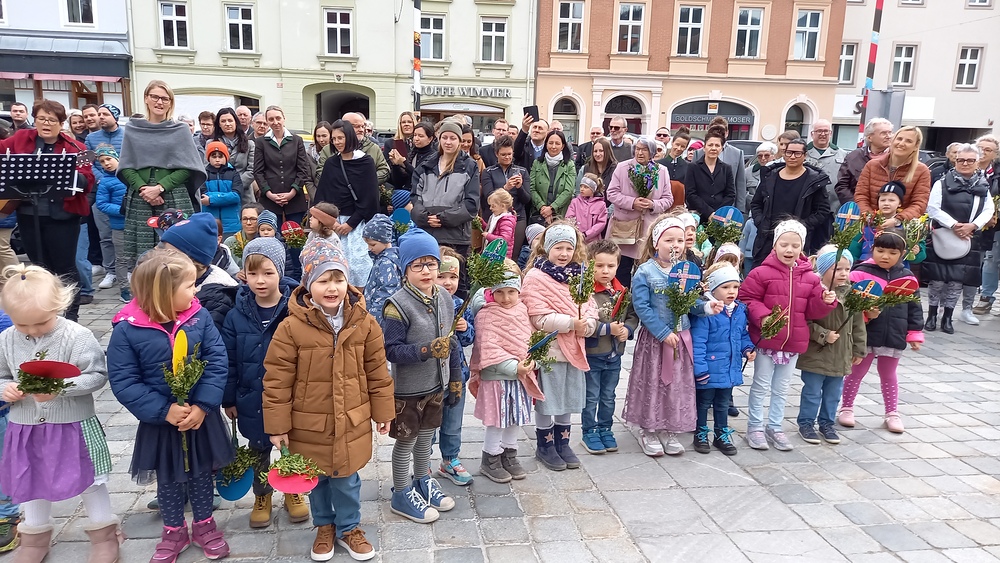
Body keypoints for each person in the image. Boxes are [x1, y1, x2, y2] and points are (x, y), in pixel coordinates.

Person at [263, 235, 393, 561]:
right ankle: (324, 526)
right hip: (309, 424)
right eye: (323, 280)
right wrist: (277, 426)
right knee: (317, 479)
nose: (332, 287)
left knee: (347, 479)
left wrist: (383, 412)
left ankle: (350, 528)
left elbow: (378, 371)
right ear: (309, 285)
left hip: (351, 420)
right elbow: (277, 380)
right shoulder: (291, 328)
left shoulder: (365, 324)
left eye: (338, 279)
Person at [107, 248, 234, 562]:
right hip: (161, 422)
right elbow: (124, 380)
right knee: (168, 478)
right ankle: (173, 530)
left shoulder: (199, 317)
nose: (195, 291)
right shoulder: (127, 329)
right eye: (189, 286)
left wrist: (203, 405)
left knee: (202, 473)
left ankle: (204, 525)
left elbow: (216, 360)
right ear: (164, 292)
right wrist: (164, 410)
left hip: (199, 417)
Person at [0, 265, 119, 562]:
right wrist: (6, 389)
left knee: (89, 479)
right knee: (31, 479)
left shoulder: (77, 336)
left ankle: (104, 536)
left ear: (59, 306)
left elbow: (97, 375)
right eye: (22, 324)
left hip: (72, 424)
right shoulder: (6, 339)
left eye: (41, 322)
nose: (32, 331)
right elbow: (2, 375)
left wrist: (61, 387)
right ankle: (34, 538)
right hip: (25, 426)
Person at [221, 237, 308, 530]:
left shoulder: (294, 311)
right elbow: (229, 359)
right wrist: (229, 397)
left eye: (268, 273)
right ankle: (262, 495)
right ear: (244, 274)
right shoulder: (236, 315)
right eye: (253, 273)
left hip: (289, 399)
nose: (260, 280)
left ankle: (293, 489)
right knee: (259, 449)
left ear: (280, 272)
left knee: (290, 445)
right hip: (252, 398)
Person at [380, 228, 460, 523]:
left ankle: (422, 480)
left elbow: (451, 342)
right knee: (407, 441)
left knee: (426, 438)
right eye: (418, 265)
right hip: (409, 391)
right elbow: (391, 351)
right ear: (405, 269)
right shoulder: (397, 305)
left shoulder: (444, 297)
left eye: (431, 264)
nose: (426, 271)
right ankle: (401, 492)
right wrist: (425, 350)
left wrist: (455, 378)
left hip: (436, 385)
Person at [738, 219, 837, 451]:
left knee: (782, 388)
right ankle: (755, 426)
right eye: (784, 244)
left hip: (793, 342)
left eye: (795, 245)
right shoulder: (761, 273)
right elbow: (747, 298)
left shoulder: (811, 278)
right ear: (775, 245)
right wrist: (764, 317)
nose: (789, 250)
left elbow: (812, 311)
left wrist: (824, 301)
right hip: (766, 339)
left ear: (802, 247)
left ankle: (775, 426)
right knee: (761, 385)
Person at [0, 99, 95, 322]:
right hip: (28, 213)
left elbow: (87, 181)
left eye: (52, 120)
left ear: (61, 123)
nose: (46, 123)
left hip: (63, 215)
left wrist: (70, 174)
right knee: (38, 266)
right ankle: (44, 312)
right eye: (41, 118)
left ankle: (71, 316)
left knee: (65, 266)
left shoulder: (75, 148)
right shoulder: (20, 139)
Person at [520, 223, 598, 469]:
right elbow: (538, 317)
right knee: (549, 398)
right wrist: (571, 323)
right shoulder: (535, 277)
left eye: (568, 248)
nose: (564, 253)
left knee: (569, 396)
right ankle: (545, 445)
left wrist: (589, 325)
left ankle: (563, 443)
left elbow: (590, 307)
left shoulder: (580, 275)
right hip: (551, 350)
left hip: (574, 348)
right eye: (558, 248)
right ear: (547, 248)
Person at [625, 217, 698, 456]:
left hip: (680, 338)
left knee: (676, 383)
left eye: (679, 240)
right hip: (656, 340)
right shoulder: (645, 271)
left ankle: (669, 427)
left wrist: (708, 306)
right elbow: (642, 307)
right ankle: (649, 429)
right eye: (669, 240)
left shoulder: (686, 270)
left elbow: (692, 301)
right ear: (657, 243)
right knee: (653, 382)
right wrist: (663, 332)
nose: (675, 245)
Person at [839, 229, 924, 433]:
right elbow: (849, 305)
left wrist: (914, 333)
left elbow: (915, 308)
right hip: (866, 335)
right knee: (856, 372)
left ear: (902, 254)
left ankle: (892, 413)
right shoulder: (860, 273)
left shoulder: (907, 278)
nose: (885, 256)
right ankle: (846, 408)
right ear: (872, 249)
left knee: (888, 374)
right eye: (880, 250)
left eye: (892, 253)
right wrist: (865, 315)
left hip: (893, 334)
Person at [118, 81, 206, 271]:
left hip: (173, 194)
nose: (160, 102)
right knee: (144, 256)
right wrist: (144, 189)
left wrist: (160, 188)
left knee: (177, 250)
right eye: (155, 97)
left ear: (170, 102)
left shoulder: (180, 130)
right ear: (146, 99)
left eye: (165, 99)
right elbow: (126, 166)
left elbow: (189, 167)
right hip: (141, 197)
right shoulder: (133, 128)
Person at [468, 266, 541, 482]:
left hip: (519, 378)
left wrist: (533, 361)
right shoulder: (486, 314)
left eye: (511, 291)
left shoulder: (522, 311)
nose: (506, 298)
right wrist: (513, 367)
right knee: (497, 419)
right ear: (491, 291)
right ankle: (490, 457)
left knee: (515, 418)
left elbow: (531, 340)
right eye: (499, 292)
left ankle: (510, 454)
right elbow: (488, 348)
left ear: (519, 291)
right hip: (497, 378)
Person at [795, 247, 865, 445]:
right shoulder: (815, 292)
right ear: (824, 270)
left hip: (841, 354)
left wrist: (859, 348)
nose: (843, 273)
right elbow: (804, 320)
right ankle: (806, 423)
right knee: (812, 392)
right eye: (837, 269)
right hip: (816, 353)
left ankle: (827, 423)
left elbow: (858, 323)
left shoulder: (853, 294)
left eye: (847, 269)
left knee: (833, 393)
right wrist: (823, 334)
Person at [923, 144, 994, 331]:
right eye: (961, 160)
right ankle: (931, 315)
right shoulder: (942, 182)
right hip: (943, 236)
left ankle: (947, 317)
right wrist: (954, 225)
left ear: (977, 162)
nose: (965, 163)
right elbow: (933, 208)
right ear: (955, 161)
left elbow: (989, 210)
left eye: (970, 160)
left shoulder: (983, 185)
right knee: (937, 279)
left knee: (956, 281)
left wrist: (973, 226)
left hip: (968, 237)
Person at [580, 240, 637, 454]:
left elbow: (632, 315)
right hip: (593, 353)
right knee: (591, 396)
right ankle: (589, 431)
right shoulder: (585, 293)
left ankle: (605, 428)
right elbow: (583, 321)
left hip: (614, 354)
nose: (605, 271)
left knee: (608, 395)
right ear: (589, 265)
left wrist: (628, 330)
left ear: (617, 265)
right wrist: (607, 329)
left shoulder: (621, 291)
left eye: (610, 266)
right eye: (599, 265)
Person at [689, 263, 751, 456]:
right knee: (703, 403)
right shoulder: (707, 312)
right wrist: (700, 369)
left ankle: (721, 434)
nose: (731, 291)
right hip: (709, 369)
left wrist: (748, 348)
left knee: (723, 403)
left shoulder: (739, 310)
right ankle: (700, 433)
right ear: (713, 289)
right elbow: (698, 343)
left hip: (728, 368)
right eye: (725, 287)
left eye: (735, 287)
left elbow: (741, 334)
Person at [410, 121, 480, 288]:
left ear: (460, 141)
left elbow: (471, 204)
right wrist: (424, 217)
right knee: (429, 282)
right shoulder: (425, 166)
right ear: (439, 139)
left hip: (456, 237)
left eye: (453, 138)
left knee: (456, 283)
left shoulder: (469, 166)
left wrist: (443, 218)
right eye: (445, 137)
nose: (448, 142)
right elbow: (415, 197)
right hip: (428, 235)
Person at [313, 119, 379, 287]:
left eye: (340, 138)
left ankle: (358, 300)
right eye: (334, 139)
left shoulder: (366, 162)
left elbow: (370, 198)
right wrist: (331, 222)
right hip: (333, 224)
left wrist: (350, 224)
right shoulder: (331, 163)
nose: (337, 142)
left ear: (349, 137)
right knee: (331, 267)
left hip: (357, 224)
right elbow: (322, 196)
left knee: (359, 267)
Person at [748, 138, 831, 267]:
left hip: (797, 242)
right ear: (784, 153)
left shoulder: (814, 181)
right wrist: (761, 221)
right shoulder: (770, 176)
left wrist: (802, 226)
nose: (792, 157)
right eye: (789, 152)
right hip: (767, 239)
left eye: (797, 153)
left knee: (792, 275)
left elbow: (822, 211)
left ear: (805, 155)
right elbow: (756, 204)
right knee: (762, 274)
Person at [605, 137, 674, 287]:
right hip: (625, 229)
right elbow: (611, 193)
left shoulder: (662, 171)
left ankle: (638, 299)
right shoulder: (622, 167)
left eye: (644, 150)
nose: (640, 153)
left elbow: (668, 199)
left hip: (648, 229)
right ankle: (620, 298)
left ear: (652, 152)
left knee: (644, 273)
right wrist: (632, 202)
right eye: (637, 149)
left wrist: (653, 204)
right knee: (621, 271)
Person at [434, 248, 476, 486]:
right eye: (442, 276)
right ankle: (421, 463)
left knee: (452, 423)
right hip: (431, 378)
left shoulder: (461, 304)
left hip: (457, 375)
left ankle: (449, 459)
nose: (448, 282)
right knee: (428, 424)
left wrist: (465, 328)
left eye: (453, 277)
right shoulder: (426, 304)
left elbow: (470, 339)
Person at [160, 212, 241, 329]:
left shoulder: (216, 299)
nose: (163, 258)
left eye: (171, 253)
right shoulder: (178, 279)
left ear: (192, 259)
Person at [854, 126, 931, 227]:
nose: (901, 143)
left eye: (908, 141)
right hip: (869, 226)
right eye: (899, 139)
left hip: (900, 229)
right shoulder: (872, 165)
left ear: (916, 146)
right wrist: (871, 218)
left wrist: (897, 220)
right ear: (893, 140)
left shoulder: (921, 171)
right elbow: (861, 196)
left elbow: (919, 204)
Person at [253, 105, 312, 230]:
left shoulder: (297, 140)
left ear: (284, 118)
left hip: (295, 199)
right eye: (271, 119)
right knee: (271, 234)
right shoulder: (261, 142)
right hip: (270, 199)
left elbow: (303, 169)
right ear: (267, 121)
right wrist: (269, 194)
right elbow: (258, 171)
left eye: (278, 118)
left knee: (295, 236)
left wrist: (292, 192)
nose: (275, 122)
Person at [87, 104, 126, 288]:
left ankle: (128, 271)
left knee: (126, 237)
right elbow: (89, 164)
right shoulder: (91, 138)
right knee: (105, 235)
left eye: (105, 114)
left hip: (123, 187)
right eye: (99, 114)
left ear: (115, 116)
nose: (100, 117)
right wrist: (102, 179)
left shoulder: (127, 135)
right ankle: (110, 271)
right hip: (102, 188)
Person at [848, 181, 925, 264]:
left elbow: (920, 256)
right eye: (882, 200)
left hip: (896, 269)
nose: (886, 203)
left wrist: (916, 252)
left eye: (891, 200)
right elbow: (854, 249)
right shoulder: (867, 223)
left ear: (899, 203)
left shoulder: (908, 226)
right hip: (867, 267)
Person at [93, 146, 131, 303]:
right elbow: (102, 204)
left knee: (140, 257)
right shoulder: (105, 182)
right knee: (121, 258)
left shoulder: (130, 176)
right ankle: (124, 289)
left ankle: (141, 287)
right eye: (102, 161)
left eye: (109, 159)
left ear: (117, 158)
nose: (106, 163)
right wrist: (121, 210)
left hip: (136, 223)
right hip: (119, 225)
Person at [481, 135, 531, 252]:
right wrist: (505, 188)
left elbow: (527, 199)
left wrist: (519, 187)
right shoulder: (488, 172)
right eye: (503, 154)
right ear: (496, 154)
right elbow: (488, 196)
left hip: (518, 216)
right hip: (494, 216)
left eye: (509, 154)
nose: (507, 157)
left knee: (513, 253)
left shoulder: (522, 171)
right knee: (492, 252)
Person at [692, 118, 747, 212]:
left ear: (727, 132)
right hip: (702, 208)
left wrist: (740, 209)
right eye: (714, 131)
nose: (718, 134)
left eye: (721, 131)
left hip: (727, 207)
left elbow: (740, 183)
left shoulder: (737, 153)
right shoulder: (698, 153)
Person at [835, 118, 892, 204]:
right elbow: (842, 185)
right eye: (883, 133)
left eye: (890, 132)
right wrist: (857, 206)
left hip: (888, 209)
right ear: (869, 137)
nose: (888, 136)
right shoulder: (853, 157)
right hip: (857, 207)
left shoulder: (897, 157)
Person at [973, 134, 1000, 314]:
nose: (983, 152)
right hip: (969, 222)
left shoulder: (997, 174)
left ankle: (986, 297)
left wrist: (993, 214)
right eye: (980, 148)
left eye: (988, 150)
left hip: (994, 225)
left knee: (991, 259)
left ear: (995, 154)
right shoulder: (966, 168)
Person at [686, 127, 736, 223]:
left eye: (717, 145)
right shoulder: (693, 167)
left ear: (721, 148)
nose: (713, 148)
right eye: (710, 145)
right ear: (704, 147)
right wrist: (709, 213)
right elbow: (690, 194)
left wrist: (718, 214)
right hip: (698, 216)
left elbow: (730, 194)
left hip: (720, 218)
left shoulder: (726, 168)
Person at [529, 130, 576, 226]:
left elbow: (569, 190)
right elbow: (531, 188)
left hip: (561, 214)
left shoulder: (569, 165)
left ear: (562, 146)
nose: (553, 146)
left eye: (557, 143)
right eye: (550, 143)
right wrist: (542, 207)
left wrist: (552, 208)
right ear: (546, 144)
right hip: (539, 213)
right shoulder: (537, 163)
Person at [362, 214, 402, 326]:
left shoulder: (386, 262)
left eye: (373, 244)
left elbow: (387, 291)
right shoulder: (382, 259)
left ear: (385, 240)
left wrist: (373, 317)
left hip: (380, 317)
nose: (370, 248)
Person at [212, 107, 256, 203]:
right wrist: (224, 187)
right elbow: (207, 168)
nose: (227, 124)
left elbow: (252, 170)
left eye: (230, 120)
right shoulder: (211, 144)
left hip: (244, 195)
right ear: (219, 124)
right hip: (218, 194)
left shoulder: (249, 144)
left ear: (236, 122)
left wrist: (236, 185)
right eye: (223, 121)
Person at [202, 141, 244, 238]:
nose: (217, 160)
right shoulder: (204, 174)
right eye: (214, 156)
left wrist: (211, 200)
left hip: (232, 225)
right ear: (208, 158)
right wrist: (226, 197)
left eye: (220, 156)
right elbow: (203, 196)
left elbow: (236, 196)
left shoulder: (233, 173)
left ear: (226, 157)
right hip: (210, 224)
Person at [805, 119, 848, 211]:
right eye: (819, 131)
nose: (823, 134)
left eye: (826, 131)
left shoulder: (843, 154)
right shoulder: (803, 153)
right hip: (809, 204)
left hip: (835, 206)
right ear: (812, 134)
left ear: (831, 133)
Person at [388, 122, 437, 195]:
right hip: (406, 194)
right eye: (415, 135)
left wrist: (405, 163)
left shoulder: (434, 156)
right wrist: (395, 165)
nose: (416, 139)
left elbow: (421, 177)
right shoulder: (412, 154)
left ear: (430, 139)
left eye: (421, 136)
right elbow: (398, 183)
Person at [566, 173, 608, 244]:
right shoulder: (575, 202)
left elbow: (601, 223)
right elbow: (569, 217)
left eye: (586, 187)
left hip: (593, 241)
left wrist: (586, 234)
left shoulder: (601, 205)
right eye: (581, 186)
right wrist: (576, 233)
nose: (582, 189)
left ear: (593, 189)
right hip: (576, 239)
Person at [655, 127, 692, 209]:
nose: (679, 148)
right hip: (660, 205)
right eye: (677, 144)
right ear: (672, 142)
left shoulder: (689, 166)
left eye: (682, 146)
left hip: (680, 207)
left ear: (686, 148)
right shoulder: (658, 164)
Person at [223, 202, 263, 268]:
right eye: (245, 219)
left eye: (253, 219)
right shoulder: (230, 242)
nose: (248, 223)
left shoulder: (268, 242)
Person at [483, 189, 517, 257]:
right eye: (490, 206)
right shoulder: (495, 216)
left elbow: (504, 240)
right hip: (493, 253)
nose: (490, 208)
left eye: (493, 206)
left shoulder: (507, 221)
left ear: (502, 206)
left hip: (501, 256)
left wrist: (488, 236)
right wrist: (482, 223)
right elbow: (493, 230)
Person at [384, 111, 416, 178]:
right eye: (403, 122)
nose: (406, 124)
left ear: (414, 124)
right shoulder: (390, 143)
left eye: (409, 122)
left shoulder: (418, 143)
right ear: (400, 125)